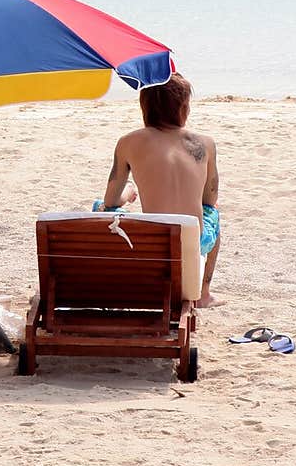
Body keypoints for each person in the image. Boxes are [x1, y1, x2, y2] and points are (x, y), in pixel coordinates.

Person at [94, 73, 220, 307]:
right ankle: (203, 294)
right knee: (214, 215)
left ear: (145, 107)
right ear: (183, 108)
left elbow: (110, 199)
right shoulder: (205, 143)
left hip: (150, 242)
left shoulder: (128, 142)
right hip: (191, 242)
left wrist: (128, 193)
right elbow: (210, 199)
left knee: (101, 208)